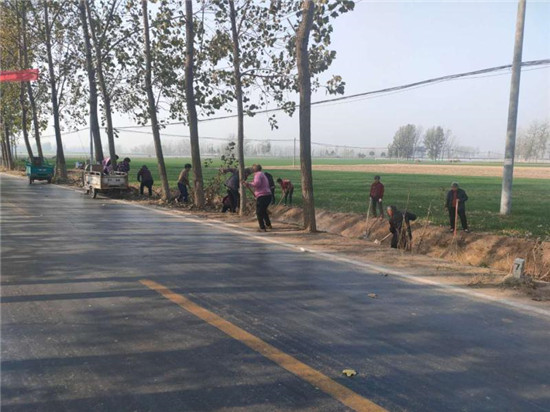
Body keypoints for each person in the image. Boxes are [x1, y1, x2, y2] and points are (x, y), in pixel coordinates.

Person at [243, 164, 272, 232]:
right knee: (263, 211)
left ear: (254, 169)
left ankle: (262, 227)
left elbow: (257, 183)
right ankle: (268, 224)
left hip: (262, 196)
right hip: (267, 195)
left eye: (252, 168)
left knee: (259, 212)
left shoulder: (258, 175)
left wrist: (249, 183)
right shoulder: (262, 174)